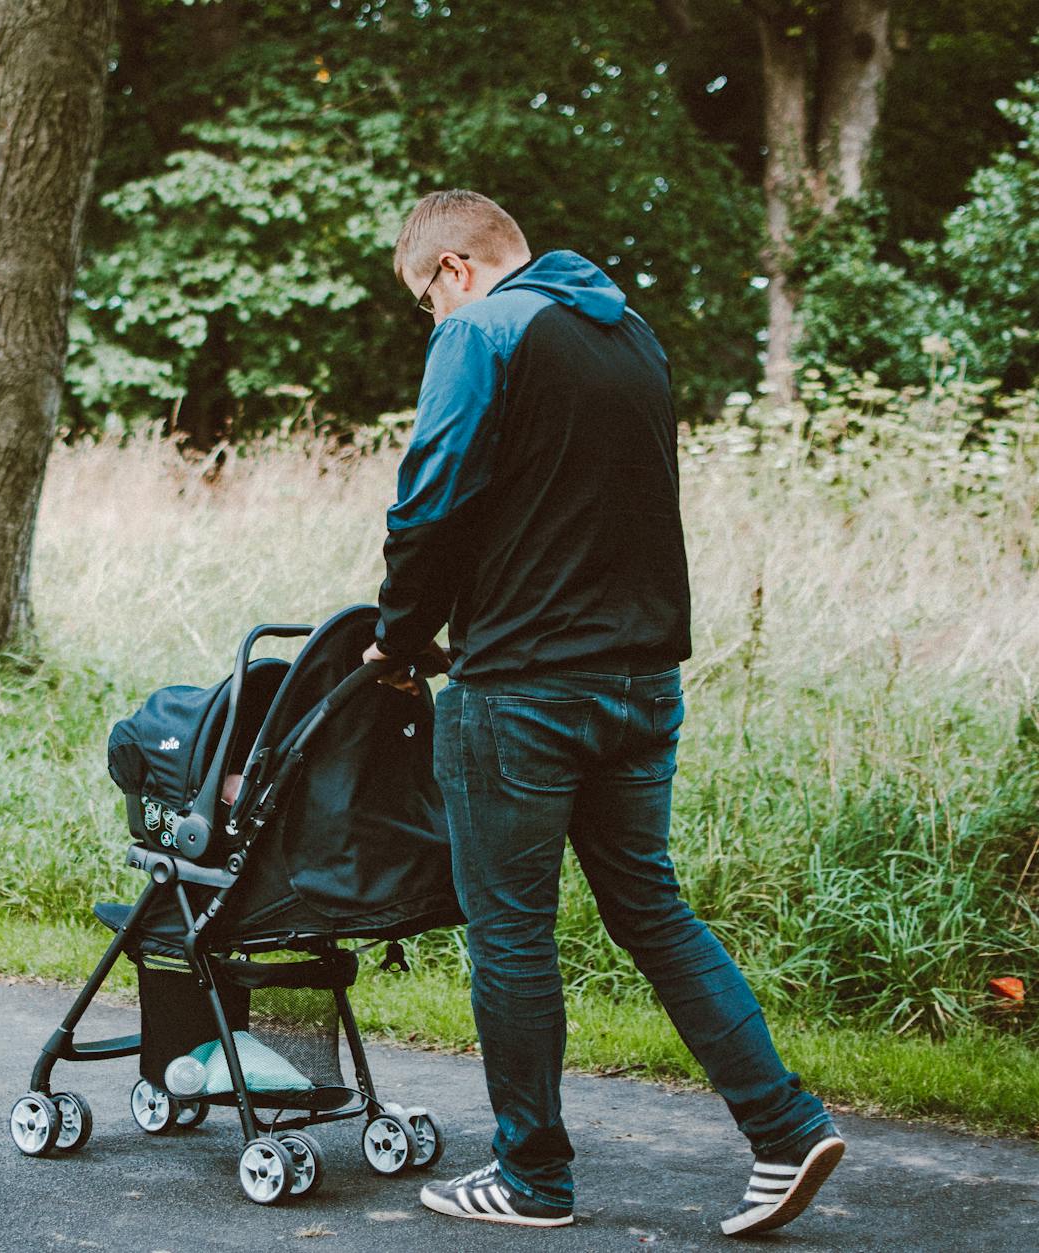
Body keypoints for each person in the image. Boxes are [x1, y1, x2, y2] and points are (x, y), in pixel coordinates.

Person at [360, 190, 843, 1236]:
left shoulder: (482, 329)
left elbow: (428, 496)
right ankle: (784, 1126)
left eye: (422, 302)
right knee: (651, 911)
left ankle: (530, 1177)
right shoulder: (630, 336)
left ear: (451, 268)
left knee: (510, 935)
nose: (430, 324)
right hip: (640, 681)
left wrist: (399, 641)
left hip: (523, 689)